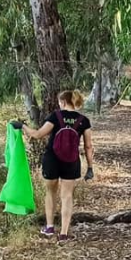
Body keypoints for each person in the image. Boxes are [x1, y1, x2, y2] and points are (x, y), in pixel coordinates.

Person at [16, 90, 95, 242]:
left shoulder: (56, 116)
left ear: (63, 102)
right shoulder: (83, 120)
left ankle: (50, 227)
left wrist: (22, 126)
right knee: (67, 196)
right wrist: (90, 167)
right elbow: (88, 146)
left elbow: (38, 134)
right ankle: (64, 233)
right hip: (71, 161)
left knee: (50, 192)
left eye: (59, 102)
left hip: (52, 159)